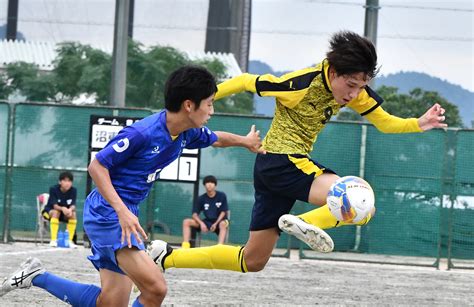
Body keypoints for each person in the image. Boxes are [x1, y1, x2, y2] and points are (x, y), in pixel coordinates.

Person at [147, 31, 447, 274]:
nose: (354, 94)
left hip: (272, 170)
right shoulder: (300, 85)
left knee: (252, 261)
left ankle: (166, 258)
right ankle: (310, 223)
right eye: (351, 85)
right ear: (332, 71)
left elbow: (385, 122)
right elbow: (245, 81)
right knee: (360, 199)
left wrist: (419, 123)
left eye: (361, 86)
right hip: (283, 161)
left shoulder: (354, 91)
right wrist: (201, 98)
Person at [0, 66, 264, 306]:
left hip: (123, 213)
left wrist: (246, 141)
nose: (212, 111)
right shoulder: (142, 133)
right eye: (209, 104)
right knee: (156, 288)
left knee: (110, 303)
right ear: (188, 105)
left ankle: (36, 276)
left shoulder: (186, 132)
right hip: (108, 213)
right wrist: (122, 212)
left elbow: (217, 139)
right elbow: (97, 167)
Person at [182, 175, 229, 248]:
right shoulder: (201, 198)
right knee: (186, 222)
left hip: (220, 221)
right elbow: (194, 214)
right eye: (207, 182)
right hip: (207, 222)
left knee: (223, 224)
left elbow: (223, 212)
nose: (209, 184)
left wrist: (216, 223)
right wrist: (201, 223)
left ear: (215, 185)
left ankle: (220, 247)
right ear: (204, 185)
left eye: (212, 182)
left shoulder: (221, 196)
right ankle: (185, 247)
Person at [42, 171, 78, 248]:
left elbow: (73, 205)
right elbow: (55, 206)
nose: (67, 183)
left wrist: (70, 210)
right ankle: (53, 240)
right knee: (56, 212)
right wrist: (63, 208)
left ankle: (69, 241)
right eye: (65, 181)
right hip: (49, 212)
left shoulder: (73, 190)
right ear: (60, 182)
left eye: (69, 181)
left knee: (73, 214)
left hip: (64, 214)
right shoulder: (53, 189)